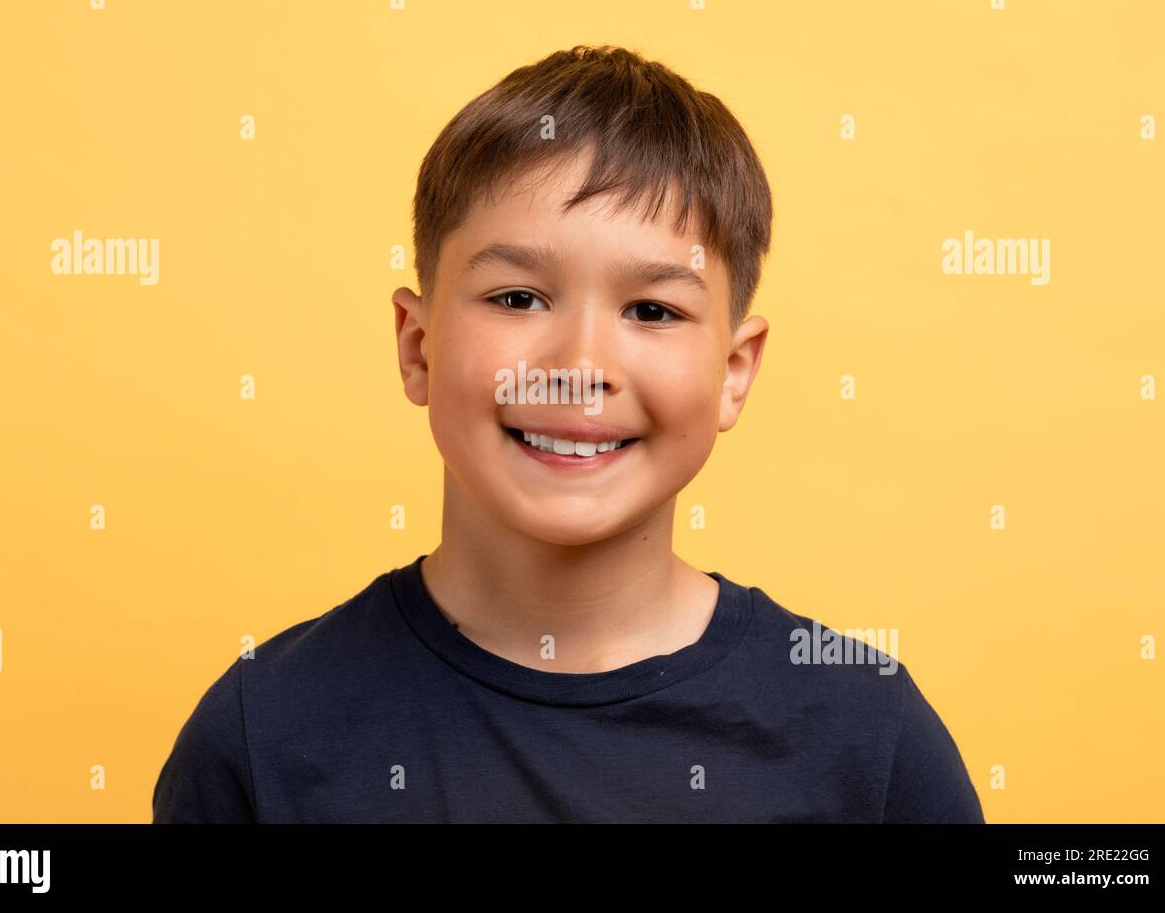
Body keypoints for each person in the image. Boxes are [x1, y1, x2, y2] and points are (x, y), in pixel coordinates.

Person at [153, 45, 984, 823]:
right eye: (517, 298)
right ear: (417, 347)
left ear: (734, 371)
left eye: (653, 311)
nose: (580, 365)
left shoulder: (869, 738)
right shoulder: (264, 737)